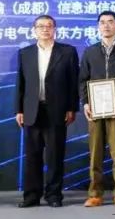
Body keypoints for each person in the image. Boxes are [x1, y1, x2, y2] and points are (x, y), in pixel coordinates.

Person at [14, 15, 78, 208]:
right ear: (34, 30)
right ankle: (31, 196)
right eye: (41, 26)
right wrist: (19, 109)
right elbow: (21, 84)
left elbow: (73, 82)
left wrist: (72, 107)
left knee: (55, 156)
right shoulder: (25, 53)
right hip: (32, 110)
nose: (45, 29)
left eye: (49, 26)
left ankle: (54, 195)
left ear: (54, 29)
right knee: (32, 156)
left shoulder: (67, 52)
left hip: (56, 110)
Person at [79, 10, 115, 207]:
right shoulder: (90, 51)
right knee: (95, 153)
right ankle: (95, 193)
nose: (106, 25)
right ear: (98, 27)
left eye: (110, 22)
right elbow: (83, 80)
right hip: (95, 109)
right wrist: (85, 103)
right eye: (102, 22)